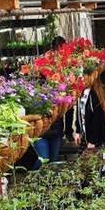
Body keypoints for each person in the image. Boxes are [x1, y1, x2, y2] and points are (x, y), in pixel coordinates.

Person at [32, 36, 68, 168]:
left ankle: (46, 186)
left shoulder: (61, 82)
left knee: (52, 162)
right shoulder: (35, 88)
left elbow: (67, 107)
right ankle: (33, 180)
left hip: (56, 130)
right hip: (41, 131)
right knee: (44, 159)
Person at [66, 82, 105, 149]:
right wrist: (78, 131)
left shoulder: (94, 93)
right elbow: (79, 113)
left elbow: (98, 120)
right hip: (85, 138)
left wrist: (93, 141)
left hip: (95, 139)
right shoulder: (82, 92)